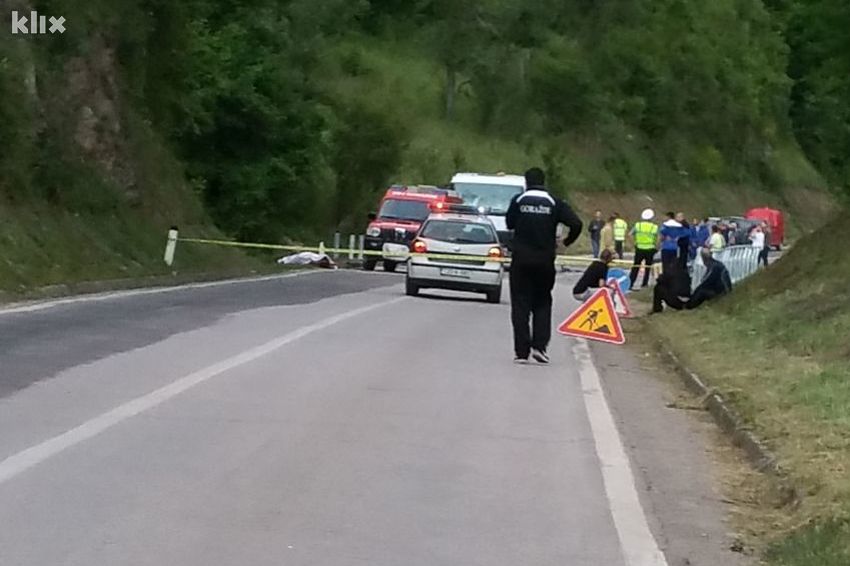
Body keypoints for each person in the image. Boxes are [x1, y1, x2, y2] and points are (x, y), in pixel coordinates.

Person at [506, 167, 582, 365]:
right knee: (542, 303)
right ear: (544, 181)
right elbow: (577, 223)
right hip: (544, 261)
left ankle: (521, 352)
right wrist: (566, 242)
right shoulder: (554, 202)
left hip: (521, 261)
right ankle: (540, 347)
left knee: (520, 305)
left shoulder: (519, 200)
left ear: (526, 181)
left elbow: (509, 224)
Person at [629, 208, 658, 289]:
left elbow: (630, 234)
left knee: (635, 267)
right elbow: (658, 237)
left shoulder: (638, 225)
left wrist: (634, 243)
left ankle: (631, 283)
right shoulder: (654, 227)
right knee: (647, 268)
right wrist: (655, 245)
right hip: (650, 249)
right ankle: (644, 284)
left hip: (639, 248)